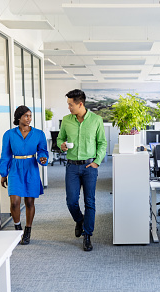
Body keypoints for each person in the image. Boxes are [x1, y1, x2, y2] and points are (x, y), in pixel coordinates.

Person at [57, 89, 107, 252]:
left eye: (71, 105)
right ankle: (79, 220)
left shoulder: (96, 120)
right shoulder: (66, 120)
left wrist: (97, 162)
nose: (69, 108)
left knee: (89, 201)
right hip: (71, 166)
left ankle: (87, 235)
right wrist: (61, 145)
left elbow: (102, 143)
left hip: (89, 166)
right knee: (71, 201)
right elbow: (60, 138)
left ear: (80, 104)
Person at [0, 105, 48, 245]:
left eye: (30, 116)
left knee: (29, 202)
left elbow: (43, 152)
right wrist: (4, 173)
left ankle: (27, 230)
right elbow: (5, 155)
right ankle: (17, 227)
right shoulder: (9, 134)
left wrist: (43, 159)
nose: (29, 119)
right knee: (14, 202)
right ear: (19, 117)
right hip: (15, 168)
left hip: (31, 168)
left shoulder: (39, 134)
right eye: (26, 115)